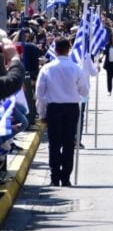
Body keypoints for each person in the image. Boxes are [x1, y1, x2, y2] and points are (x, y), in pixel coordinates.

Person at [35, 37, 89, 187]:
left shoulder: (47, 68)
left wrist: (42, 113)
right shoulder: (76, 68)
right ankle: (65, 178)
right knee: (68, 143)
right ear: (68, 49)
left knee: (54, 143)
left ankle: (55, 177)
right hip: (71, 107)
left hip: (54, 108)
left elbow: (39, 93)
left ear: (56, 49)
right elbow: (84, 91)